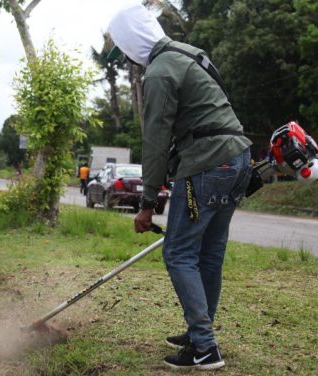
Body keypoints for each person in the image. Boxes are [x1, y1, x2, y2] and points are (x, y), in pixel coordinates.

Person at [108, 4, 252, 371]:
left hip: (205, 166)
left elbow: (155, 142)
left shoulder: (158, 73)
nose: (126, 57)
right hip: (237, 159)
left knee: (179, 253)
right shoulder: (190, 53)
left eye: (123, 48)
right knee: (209, 254)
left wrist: (146, 203)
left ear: (131, 40)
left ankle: (204, 347)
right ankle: (198, 333)